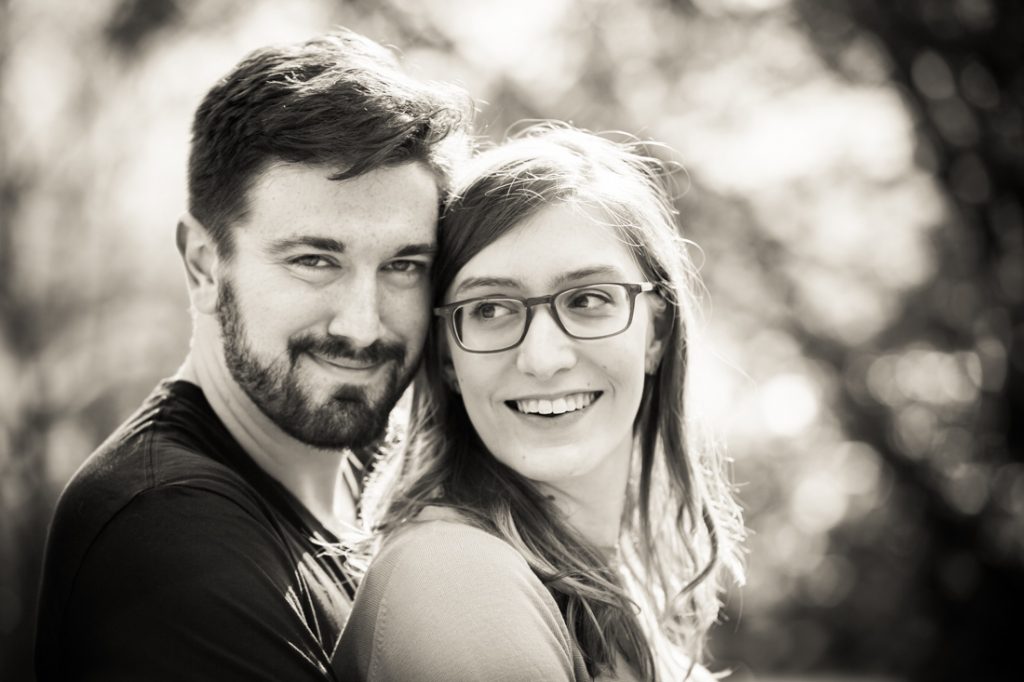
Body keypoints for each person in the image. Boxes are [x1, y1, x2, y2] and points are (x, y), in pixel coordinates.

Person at [34, 29, 469, 681]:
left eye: (404, 265)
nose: (362, 325)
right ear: (205, 266)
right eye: (315, 260)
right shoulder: (168, 531)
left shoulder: (377, 472)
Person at [338, 124, 746, 682]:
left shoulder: (606, 590)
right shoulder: (455, 579)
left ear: (656, 332)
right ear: (448, 356)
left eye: (587, 299)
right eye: (489, 309)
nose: (543, 358)